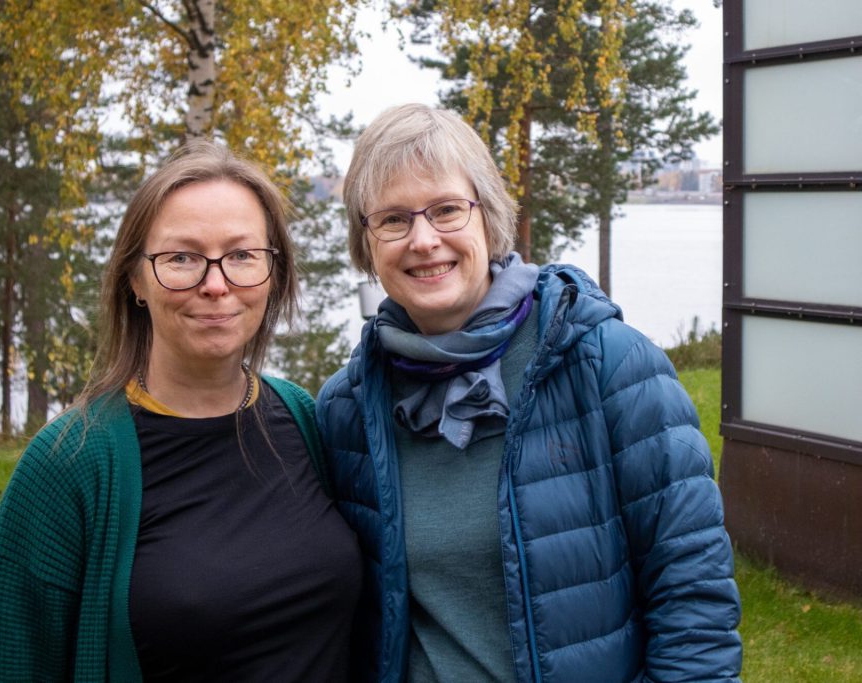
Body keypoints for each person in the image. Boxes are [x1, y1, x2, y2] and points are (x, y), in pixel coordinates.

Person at [316, 103, 742, 683]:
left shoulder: (608, 365)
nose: (423, 240)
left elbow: (694, 604)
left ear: (489, 218)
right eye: (392, 220)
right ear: (366, 243)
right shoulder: (347, 408)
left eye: (446, 210)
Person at [0, 140, 362, 681]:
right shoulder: (68, 463)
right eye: (181, 257)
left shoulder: (301, 417)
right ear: (134, 279)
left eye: (242, 255)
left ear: (273, 272)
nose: (215, 283)